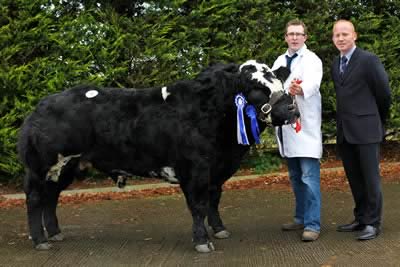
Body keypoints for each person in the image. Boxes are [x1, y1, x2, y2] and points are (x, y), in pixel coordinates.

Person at [331, 19, 391, 240]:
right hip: (345, 132)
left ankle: (373, 223)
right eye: (337, 35)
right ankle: (361, 218)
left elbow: (384, 94)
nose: (341, 38)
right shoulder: (335, 64)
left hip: (366, 130)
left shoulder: (368, 60)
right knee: (355, 178)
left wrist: (376, 120)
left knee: (370, 179)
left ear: (354, 35)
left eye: (345, 34)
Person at [271, 19, 323, 242]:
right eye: (290, 34)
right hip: (287, 129)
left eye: (298, 34)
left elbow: (313, 84)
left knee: (309, 177)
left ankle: (313, 224)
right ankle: (300, 217)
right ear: (285, 37)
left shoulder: (312, 60)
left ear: (305, 37)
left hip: (306, 128)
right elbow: (271, 87)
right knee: (295, 177)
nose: (294, 37)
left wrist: (299, 88)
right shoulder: (279, 60)